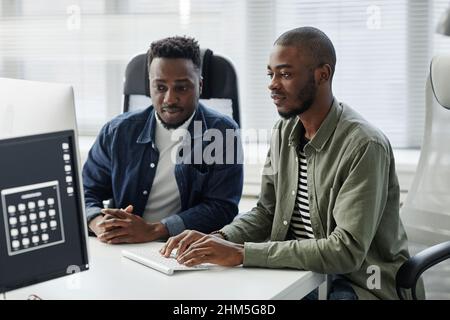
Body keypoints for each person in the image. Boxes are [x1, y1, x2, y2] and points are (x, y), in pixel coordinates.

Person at [160, 27, 425, 300]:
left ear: (323, 74)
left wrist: (243, 253)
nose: (273, 84)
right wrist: (221, 238)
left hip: (359, 281)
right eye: (270, 74)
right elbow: (266, 211)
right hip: (299, 275)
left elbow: (346, 251)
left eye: (285, 74)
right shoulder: (283, 131)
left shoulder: (364, 146)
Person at [83, 36, 243, 244]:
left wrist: (154, 230)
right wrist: (98, 223)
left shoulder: (222, 133)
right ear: (149, 86)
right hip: (123, 246)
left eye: (182, 88)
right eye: (160, 87)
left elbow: (222, 207)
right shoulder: (117, 131)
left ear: (200, 86)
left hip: (184, 249)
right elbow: (85, 191)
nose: (169, 99)